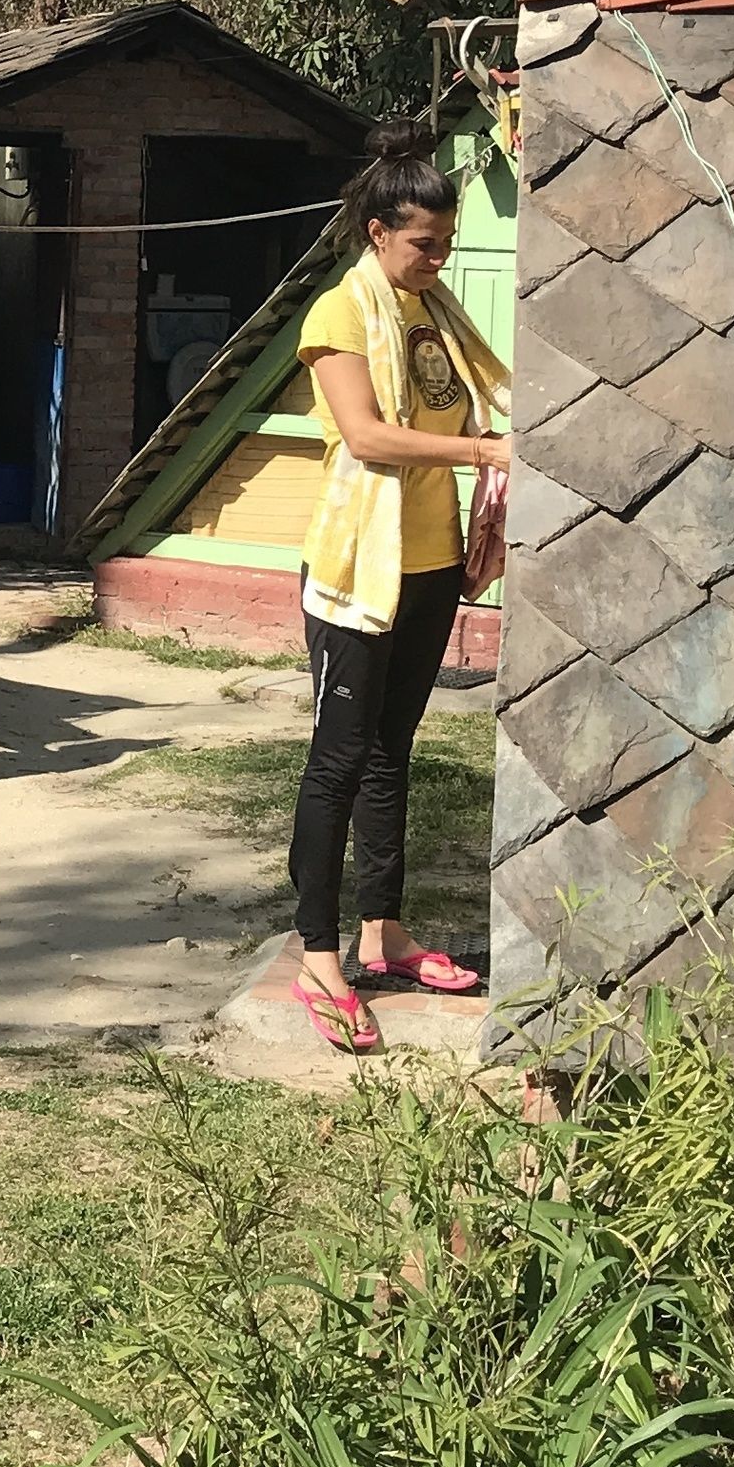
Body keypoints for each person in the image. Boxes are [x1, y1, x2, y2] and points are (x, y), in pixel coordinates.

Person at [283, 121, 510, 1054]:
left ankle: (384, 934)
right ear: (377, 233)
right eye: (424, 242)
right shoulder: (340, 314)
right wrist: (484, 454)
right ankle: (317, 955)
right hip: (356, 573)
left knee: (390, 754)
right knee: (338, 762)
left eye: (447, 242)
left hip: (426, 565)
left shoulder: (432, 313)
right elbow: (368, 435)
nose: (438, 257)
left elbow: (465, 412)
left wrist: (485, 462)